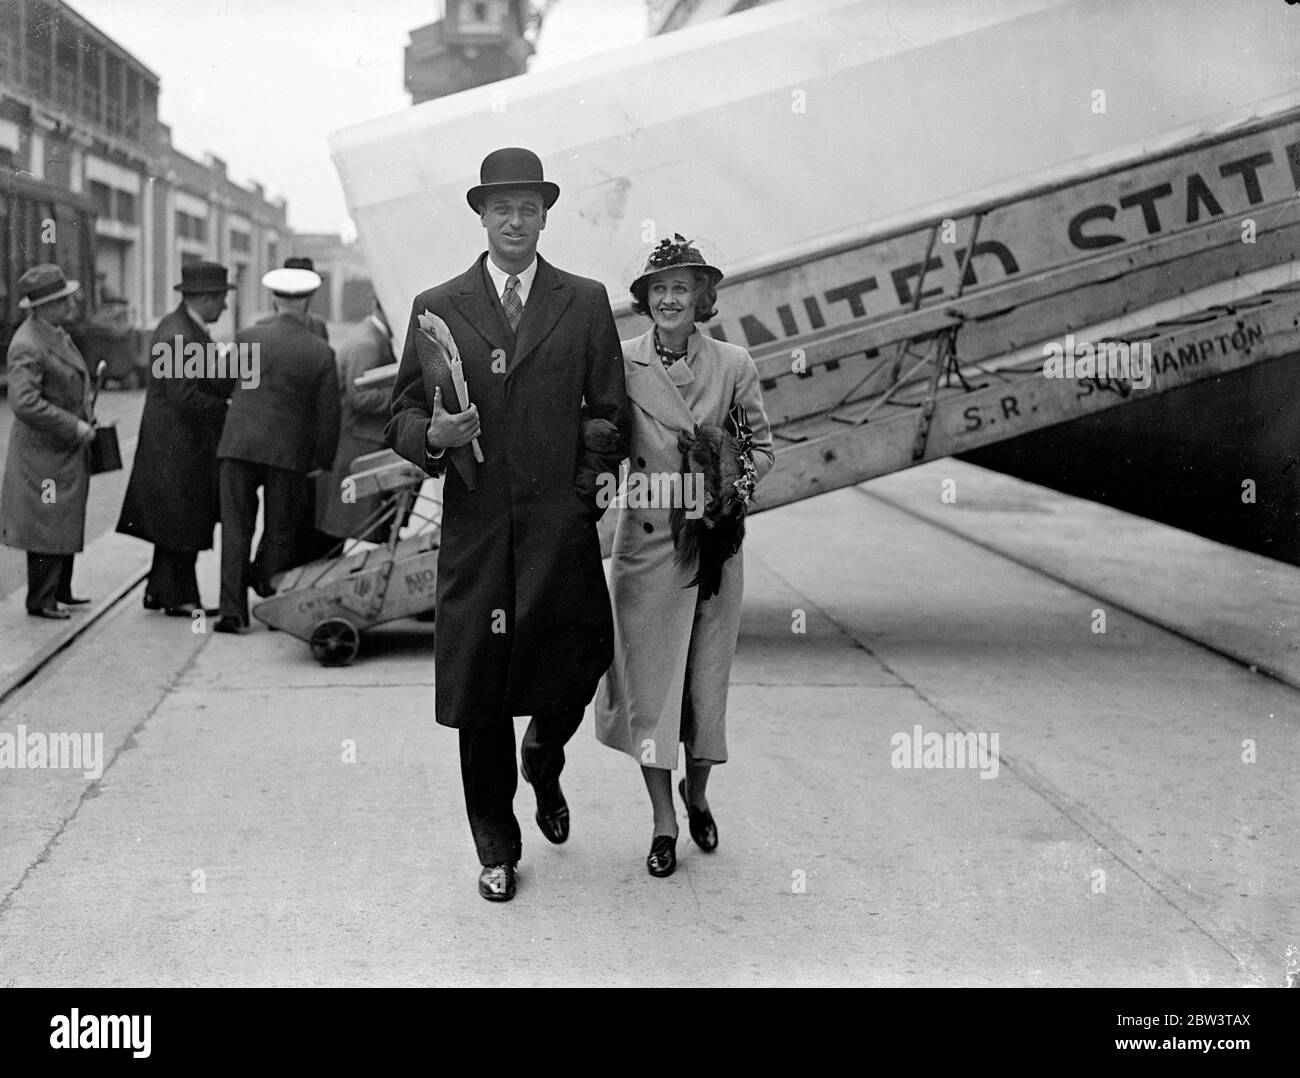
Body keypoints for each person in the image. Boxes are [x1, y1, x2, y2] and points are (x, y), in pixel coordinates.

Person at [387, 146, 629, 902]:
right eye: (502, 209)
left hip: (559, 527)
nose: (515, 221)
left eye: (528, 208)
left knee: (578, 662)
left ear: (545, 214)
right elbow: (398, 412)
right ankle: (495, 844)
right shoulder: (438, 305)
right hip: (478, 532)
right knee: (480, 694)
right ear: (481, 216)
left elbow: (609, 416)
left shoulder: (583, 301)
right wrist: (434, 438)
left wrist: (584, 495)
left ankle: (546, 758)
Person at [594, 234, 774, 878]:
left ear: (702, 299)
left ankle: (697, 794)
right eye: (659, 290)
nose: (671, 300)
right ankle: (662, 820)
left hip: (714, 550)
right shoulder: (618, 364)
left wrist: (729, 486)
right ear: (645, 300)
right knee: (649, 692)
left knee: (703, 691)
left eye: (683, 289)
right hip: (645, 550)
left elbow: (762, 450)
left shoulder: (734, 365)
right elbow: (602, 451)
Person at [214, 266, 340, 633]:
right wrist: (322, 460)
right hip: (287, 455)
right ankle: (272, 606)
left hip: (238, 447)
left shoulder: (247, 337)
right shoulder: (321, 351)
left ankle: (232, 613)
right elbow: (328, 416)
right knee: (280, 529)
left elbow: (222, 384)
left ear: (274, 299)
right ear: (309, 303)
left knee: (236, 528)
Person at [116, 262, 237, 616]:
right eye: (220, 298)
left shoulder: (184, 328)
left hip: (177, 444)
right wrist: (229, 411)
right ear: (203, 298)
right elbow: (185, 396)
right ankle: (179, 597)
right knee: (182, 519)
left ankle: (159, 591)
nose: (225, 307)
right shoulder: (180, 335)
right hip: (178, 447)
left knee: (176, 519)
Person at [0, 264, 96, 619]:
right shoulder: (29, 343)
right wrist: (73, 425)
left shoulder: (50, 332)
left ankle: (61, 589)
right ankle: (41, 599)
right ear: (44, 306)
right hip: (45, 452)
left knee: (61, 518)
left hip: (57, 450)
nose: (69, 303)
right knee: (46, 523)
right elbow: (24, 402)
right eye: (62, 299)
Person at [316, 299, 396, 546]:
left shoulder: (370, 337)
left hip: (360, 440)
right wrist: (400, 395)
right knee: (347, 519)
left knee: (344, 520)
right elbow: (359, 396)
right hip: (359, 442)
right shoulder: (368, 344)